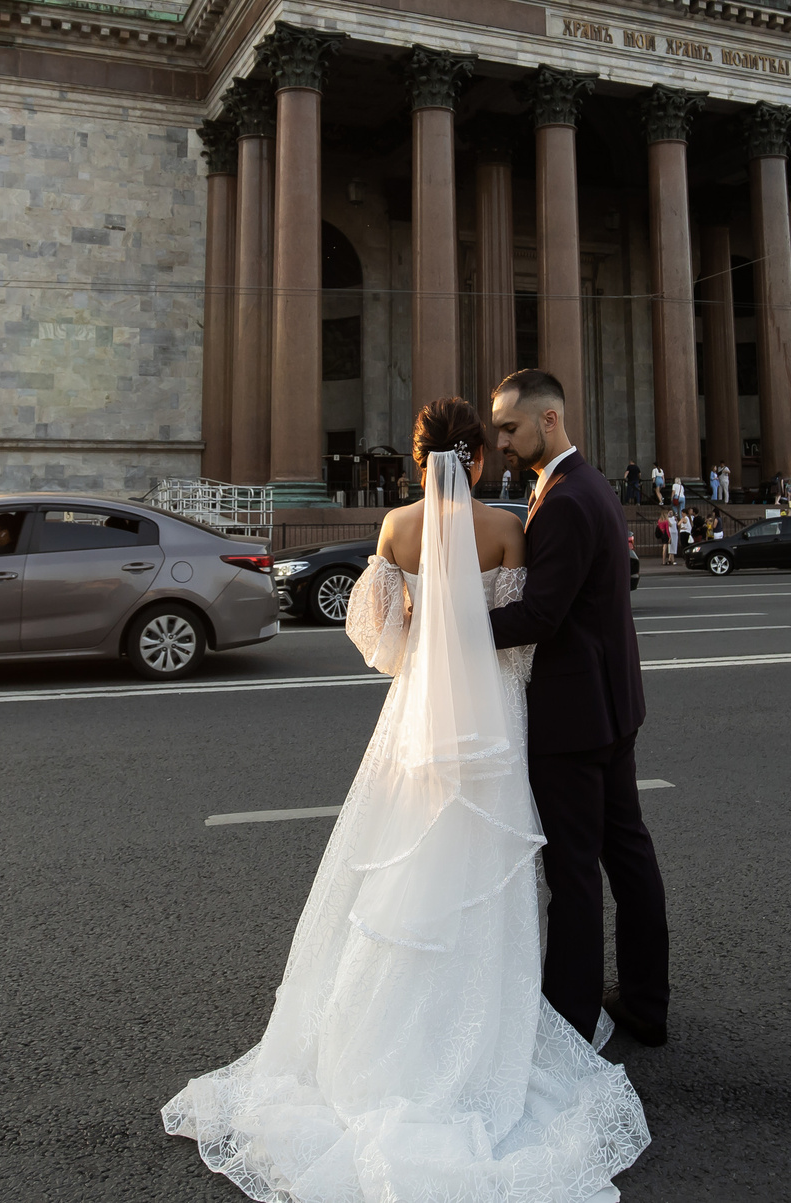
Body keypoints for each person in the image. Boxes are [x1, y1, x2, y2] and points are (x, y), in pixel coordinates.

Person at [164, 396, 650, 1195]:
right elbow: (526, 636)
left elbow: (380, 639)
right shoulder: (505, 529)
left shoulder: (394, 528)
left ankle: (384, 1026)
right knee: (487, 859)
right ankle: (490, 1012)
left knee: (404, 856)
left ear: (417, 460)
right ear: (478, 459)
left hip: (417, 715)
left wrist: (427, 648)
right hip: (491, 714)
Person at [486, 367, 671, 1052]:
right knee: (628, 854)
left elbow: (542, 614)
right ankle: (646, 1004)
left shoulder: (564, 499)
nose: (501, 441)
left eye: (510, 427)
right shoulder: (589, 484)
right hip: (614, 706)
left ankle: (568, 1022)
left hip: (571, 719)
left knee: (573, 871)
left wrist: (451, 627)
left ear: (550, 419)